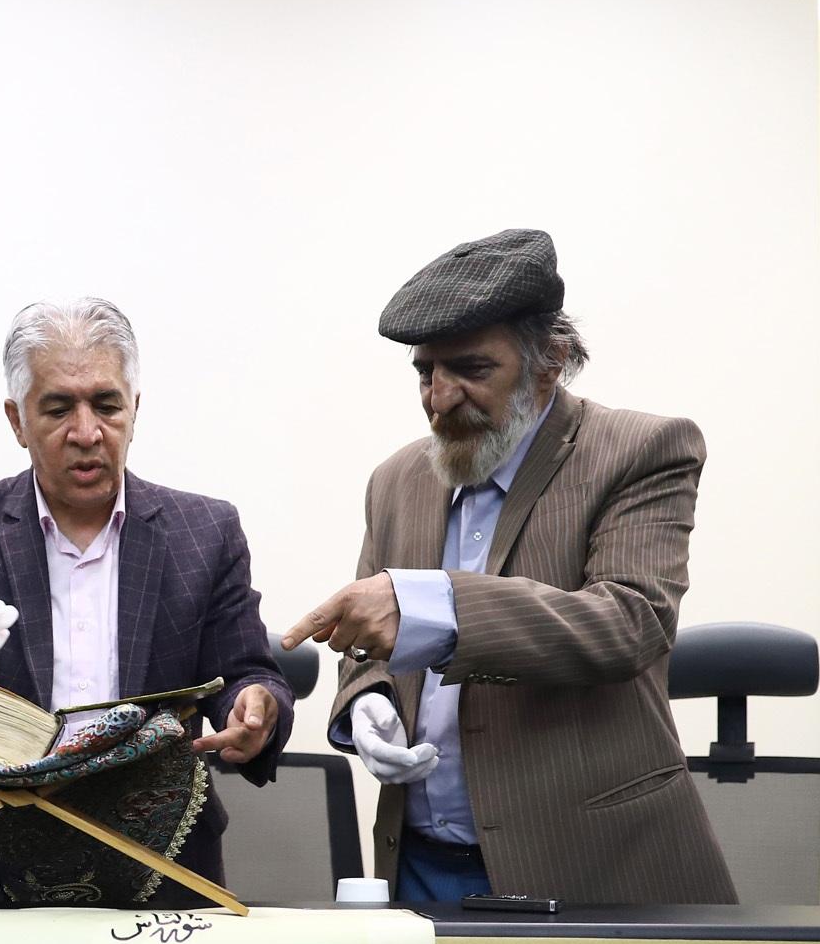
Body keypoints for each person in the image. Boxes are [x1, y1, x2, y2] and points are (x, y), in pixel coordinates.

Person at [283, 228, 735, 904]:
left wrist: (430, 604)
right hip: (419, 866)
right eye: (425, 373)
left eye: (470, 369)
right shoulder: (395, 480)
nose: (439, 398)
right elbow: (368, 642)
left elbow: (628, 622)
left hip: (589, 870)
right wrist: (369, 698)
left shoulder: (641, 449)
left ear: (550, 361)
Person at [0, 297, 292, 905]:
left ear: (135, 408)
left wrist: (256, 707)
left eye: (106, 405)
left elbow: (247, 675)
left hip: (161, 869)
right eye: (58, 409)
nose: (87, 433)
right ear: (17, 420)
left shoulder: (205, 532)